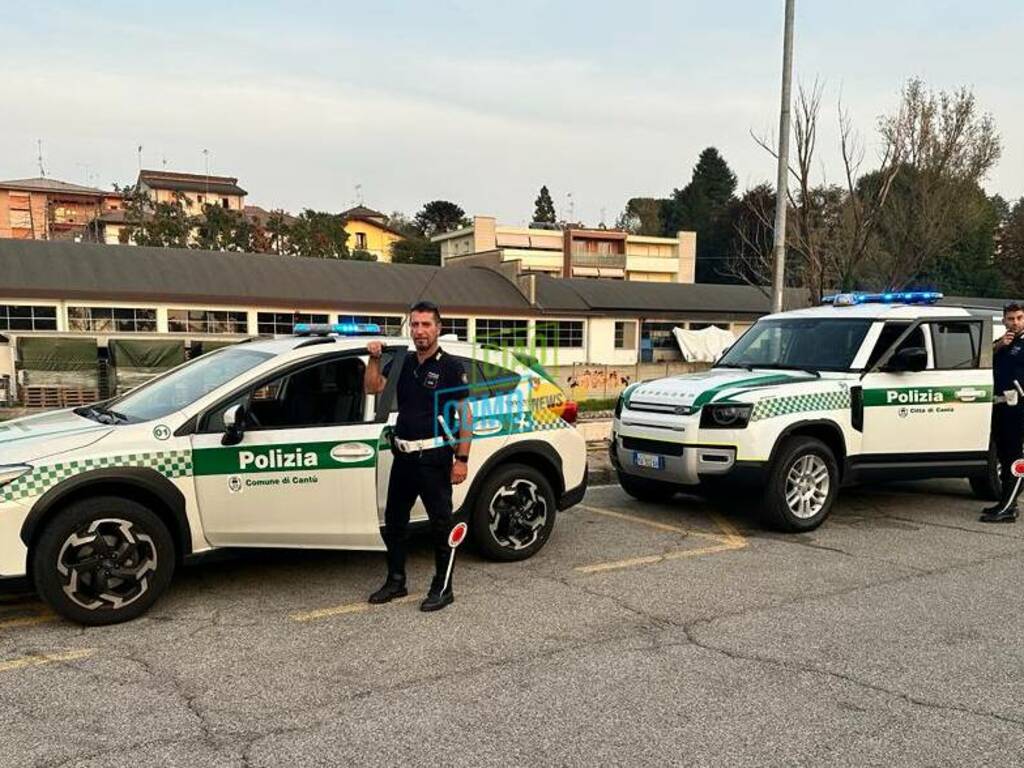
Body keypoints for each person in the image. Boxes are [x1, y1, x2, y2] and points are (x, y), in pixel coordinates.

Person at [364, 301, 473, 610]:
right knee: (395, 523)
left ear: (438, 328)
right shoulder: (403, 363)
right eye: (415, 325)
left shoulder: (450, 367)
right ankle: (396, 581)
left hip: (435, 458)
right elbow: (373, 388)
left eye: (426, 324)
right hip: (404, 458)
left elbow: (465, 416)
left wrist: (462, 460)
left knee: (441, 525)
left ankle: (443, 586)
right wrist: (374, 359)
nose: (420, 330)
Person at [981, 302, 1024, 523]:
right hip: (1000, 406)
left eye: (1019, 318)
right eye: (1011, 318)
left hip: (1019, 407)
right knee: (1005, 456)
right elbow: (983, 360)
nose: (1015, 323)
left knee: (1016, 457)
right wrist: (998, 346)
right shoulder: (1004, 342)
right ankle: (1007, 502)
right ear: (1004, 320)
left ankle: (1008, 508)